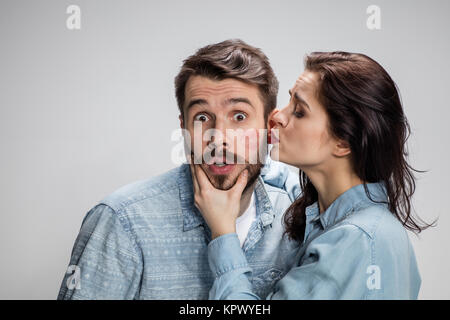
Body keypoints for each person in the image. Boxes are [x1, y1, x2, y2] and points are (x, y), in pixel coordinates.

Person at [57, 39, 301, 299]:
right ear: (184, 127)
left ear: (270, 127)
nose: (218, 138)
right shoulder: (122, 222)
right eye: (202, 118)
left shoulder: (297, 214)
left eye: (239, 116)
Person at [191, 51, 433, 299]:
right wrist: (243, 158)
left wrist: (223, 232)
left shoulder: (353, 241)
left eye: (299, 112)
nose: (277, 116)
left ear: (342, 142)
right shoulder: (353, 216)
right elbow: (290, 183)